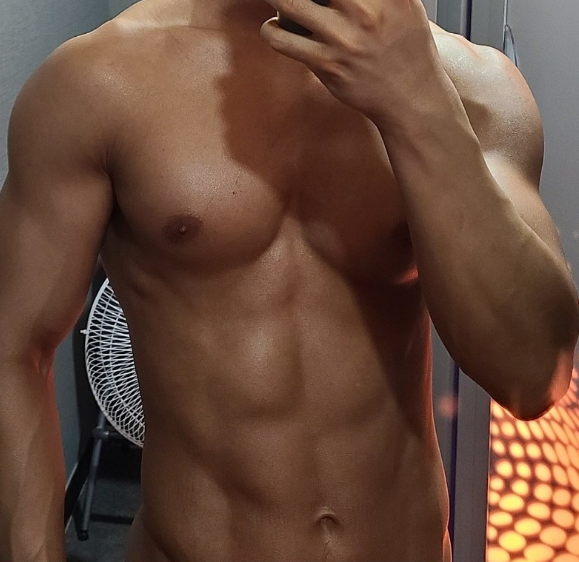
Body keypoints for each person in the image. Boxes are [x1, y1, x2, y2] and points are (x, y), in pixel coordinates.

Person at [0, 0, 578, 560]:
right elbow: (14, 351)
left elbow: (533, 375)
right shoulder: (97, 82)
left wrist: (417, 99)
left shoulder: (472, 86)